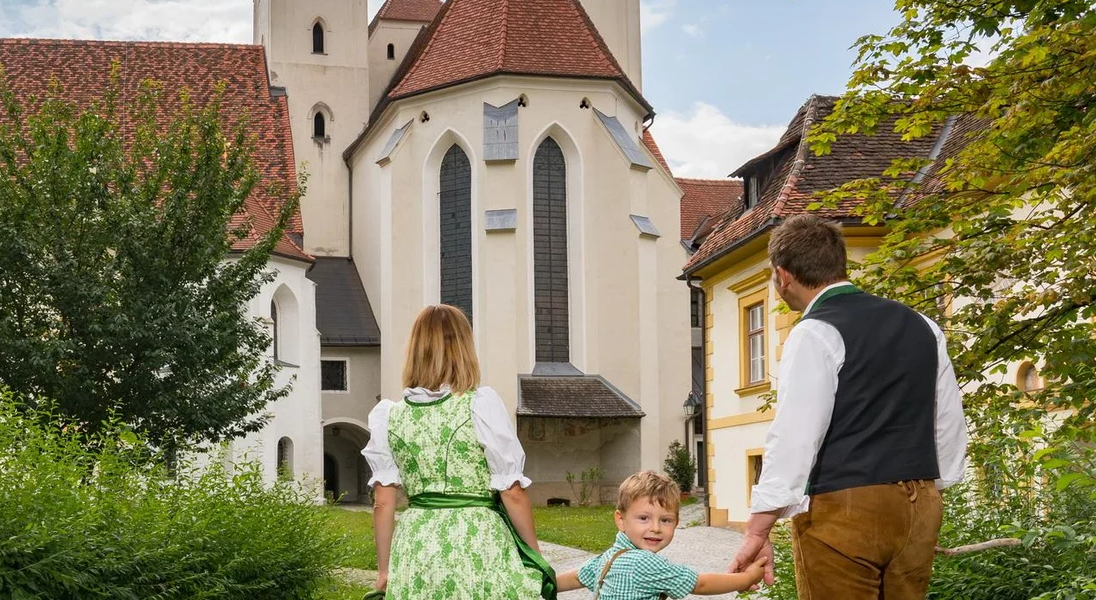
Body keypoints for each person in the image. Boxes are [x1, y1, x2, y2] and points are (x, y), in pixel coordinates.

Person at [726, 214, 970, 599]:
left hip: (845, 508)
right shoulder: (924, 325)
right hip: (920, 503)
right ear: (839, 264)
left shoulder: (814, 331)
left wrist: (758, 528)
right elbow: (949, 426)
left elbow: (795, 438)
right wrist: (927, 495)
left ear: (782, 275)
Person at [362, 304, 554, 600]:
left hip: (418, 542)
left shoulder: (390, 415)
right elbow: (512, 492)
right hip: (477, 538)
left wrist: (385, 571)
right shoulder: (481, 405)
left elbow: (383, 502)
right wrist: (535, 555)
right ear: (465, 348)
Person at [556, 471, 768, 599]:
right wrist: (746, 578)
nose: (656, 528)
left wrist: (540, 582)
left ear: (676, 522)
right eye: (644, 518)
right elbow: (700, 584)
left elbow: (577, 577)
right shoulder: (643, 563)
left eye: (665, 520)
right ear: (621, 520)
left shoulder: (611, 556)